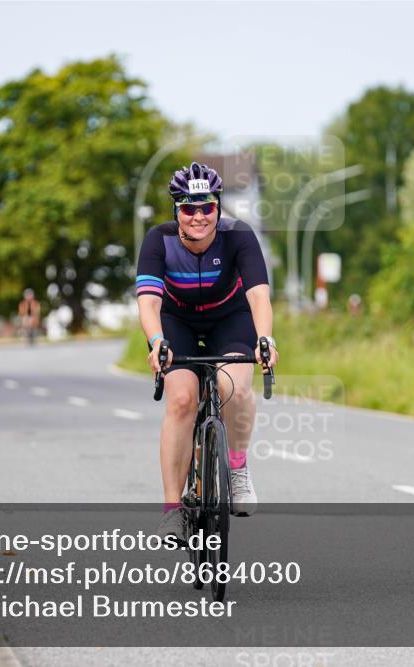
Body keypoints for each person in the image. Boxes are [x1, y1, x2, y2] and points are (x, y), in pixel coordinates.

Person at [135, 162, 278, 540]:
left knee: (235, 387)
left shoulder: (238, 235)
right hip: (176, 320)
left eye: (207, 207)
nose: (198, 216)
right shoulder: (158, 240)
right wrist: (157, 342)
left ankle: (238, 468)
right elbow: (149, 302)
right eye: (188, 208)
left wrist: (265, 339)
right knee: (182, 399)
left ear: (217, 207)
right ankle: (172, 510)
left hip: (229, 318)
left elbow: (258, 295)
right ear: (176, 210)